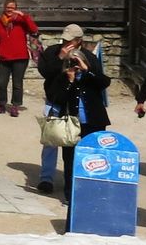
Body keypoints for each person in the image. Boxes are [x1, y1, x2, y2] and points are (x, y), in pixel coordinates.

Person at [35, 26, 110, 200]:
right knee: (54, 144)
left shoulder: (89, 58)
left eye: (71, 41)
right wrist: (61, 63)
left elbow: (103, 82)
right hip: (63, 109)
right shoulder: (54, 52)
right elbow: (46, 75)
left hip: (90, 117)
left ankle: (88, 189)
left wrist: (86, 70)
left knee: (91, 154)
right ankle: (51, 181)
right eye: (65, 40)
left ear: (79, 41)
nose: (67, 43)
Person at [0, 0, 41, 117]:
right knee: (1, 83)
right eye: (8, 7)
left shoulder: (21, 22)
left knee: (17, 83)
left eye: (12, 7)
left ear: (16, 8)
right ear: (4, 8)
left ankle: (15, 106)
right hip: (4, 58)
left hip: (20, 57)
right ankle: (1, 104)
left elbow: (34, 29)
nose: (10, 10)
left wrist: (23, 16)